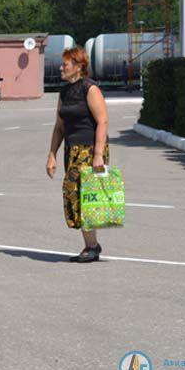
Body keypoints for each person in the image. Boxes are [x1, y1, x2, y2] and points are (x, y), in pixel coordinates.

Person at [46, 47, 109, 262]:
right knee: (75, 195)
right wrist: (52, 154)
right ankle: (91, 245)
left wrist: (98, 155)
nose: (61, 67)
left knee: (84, 196)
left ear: (79, 66)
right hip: (71, 150)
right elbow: (59, 126)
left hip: (90, 150)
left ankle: (92, 247)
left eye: (65, 64)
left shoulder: (90, 89)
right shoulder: (64, 93)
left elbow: (102, 121)